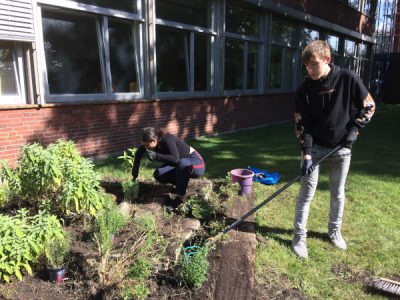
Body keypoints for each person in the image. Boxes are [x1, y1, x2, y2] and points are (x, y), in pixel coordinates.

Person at [292, 40, 375, 259]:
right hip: (315, 149)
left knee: (337, 193)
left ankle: (334, 231)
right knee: (305, 194)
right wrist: (307, 155)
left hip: (341, 149)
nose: (309, 69)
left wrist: (354, 130)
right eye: (306, 65)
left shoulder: (348, 78)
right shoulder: (303, 90)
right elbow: (302, 125)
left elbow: (369, 106)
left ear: (327, 60)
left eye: (313, 64)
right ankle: (299, 237)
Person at [132, 127, 205, 206]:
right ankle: (181, 183)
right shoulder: (152, 142)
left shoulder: (168, 140)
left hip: (196, 163)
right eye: (144, 145)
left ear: (154, 141)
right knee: (159, 174)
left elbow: (175, 159)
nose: (146, 147)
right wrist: (135, 171)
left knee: (183, 163)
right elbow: (139, 152)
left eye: (147, 145)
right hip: (180, 164)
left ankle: (179, 199)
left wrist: (156, 156)